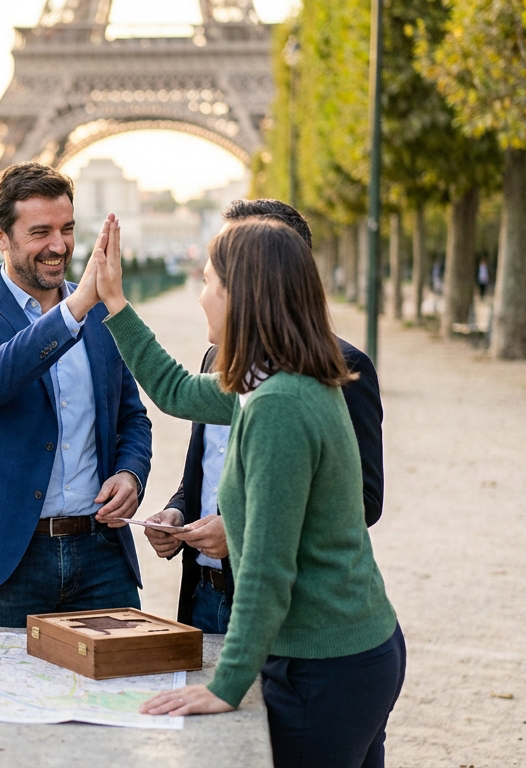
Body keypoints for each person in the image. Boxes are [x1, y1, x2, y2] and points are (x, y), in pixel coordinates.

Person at [95, 216, 404, 767]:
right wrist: (115, 302)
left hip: (324, 664)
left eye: (210, 283)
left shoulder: (278, 404)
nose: (201, 297)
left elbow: (265, 569)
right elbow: (174, 389)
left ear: (244, 296)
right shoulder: (274, 379)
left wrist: (226, 685)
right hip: (344, 650)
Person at [141, 199, 384, 634]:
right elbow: (207, 468)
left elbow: (361, 502)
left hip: (284, 607)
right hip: (202, 594)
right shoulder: (216, 355)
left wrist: (238, 531)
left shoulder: (342, 368)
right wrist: (178, 511)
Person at [0, 162, 153, 628]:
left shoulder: (100, 314)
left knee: (109, 697)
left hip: (101, 555)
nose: (59, 246)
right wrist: (75, 309)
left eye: (67, 229)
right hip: (7, 557)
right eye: (41, 232)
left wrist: (130, 474)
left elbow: (132, 417)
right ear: (0, 235)